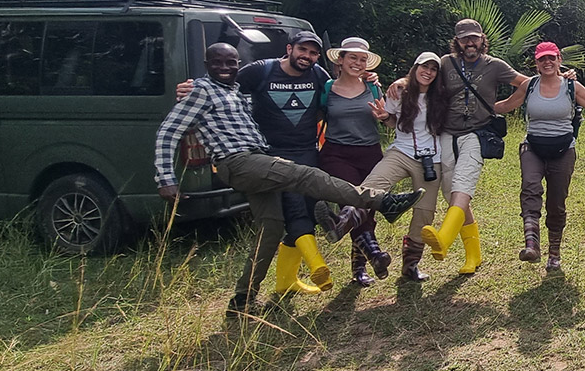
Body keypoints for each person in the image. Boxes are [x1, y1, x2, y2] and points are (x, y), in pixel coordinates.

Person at [154, 43, 423, 317]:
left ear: (238, 65)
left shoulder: (237, 90)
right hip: (238, 161)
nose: (226, 68)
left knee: (270, 229)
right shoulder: (200, 91)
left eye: (231, 63)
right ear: (206, 64)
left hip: (258, 158)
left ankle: (241, 300)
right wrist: (166, 178)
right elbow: (168, 131)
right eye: (218, 63)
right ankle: (382, 200)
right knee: (303, 174)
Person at [179, 30, 346, 295]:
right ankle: (317, 265)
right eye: (303, 50)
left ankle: (285, 282)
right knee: (294, 210)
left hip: (307, 150)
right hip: (270, 154)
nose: (308, 56)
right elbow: (223, 83)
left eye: (314, 53)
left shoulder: (317, 75)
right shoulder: (260, 71)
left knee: (306, 209)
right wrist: (192, 87)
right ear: (289, 49)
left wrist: (366, 79)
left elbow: (337, 93)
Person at [318, 51, 447, 283]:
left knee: (424, 212)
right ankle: (341, 223)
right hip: (401, 152)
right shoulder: (399, 92)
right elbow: (392, 121)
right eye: (423, 67)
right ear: (414, 68)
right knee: (372, 185)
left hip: (432, 159)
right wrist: (385, 116)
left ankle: (411, 265)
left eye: (433, 68)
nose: (427, 72)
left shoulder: (442, 96)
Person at [420, 19, 531, 275]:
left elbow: (527, 83)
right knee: (451, 193)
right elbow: (421, 77)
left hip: (476, 133)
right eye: (464, 39)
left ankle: (444, 238)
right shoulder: (445, 62)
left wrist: (502, 106)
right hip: (446, 133)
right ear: (457, 42)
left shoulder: (495, 66)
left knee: (464, 183)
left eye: (474, 38)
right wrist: (400, 84)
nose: (470, 43)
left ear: (482, 38)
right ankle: (473, 257)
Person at [493, 41, 585, 272]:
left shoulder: (571, 87)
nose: (547, 62)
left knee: (556, 203)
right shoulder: (528, 86)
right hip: (533, 146)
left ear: (559, 60)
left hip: (563, 149)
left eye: (551, 58)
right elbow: (506, 106)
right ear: (536, 64)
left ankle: (554, 253)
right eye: (542, 59)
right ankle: (531, 244)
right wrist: (472, 106)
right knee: (530, 187)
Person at [316, 37, 392, 286]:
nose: (357, 63)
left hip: (370, 153)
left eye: (362, 59)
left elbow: (387, 118)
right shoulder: (326, 89)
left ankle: (359, 271)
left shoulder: (373, 87)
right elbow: (315, 117)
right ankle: (374, 254)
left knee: (364, 213)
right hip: (336, 153)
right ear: (341, 59)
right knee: (353, 201)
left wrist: (384, 117)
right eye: (352, 58)